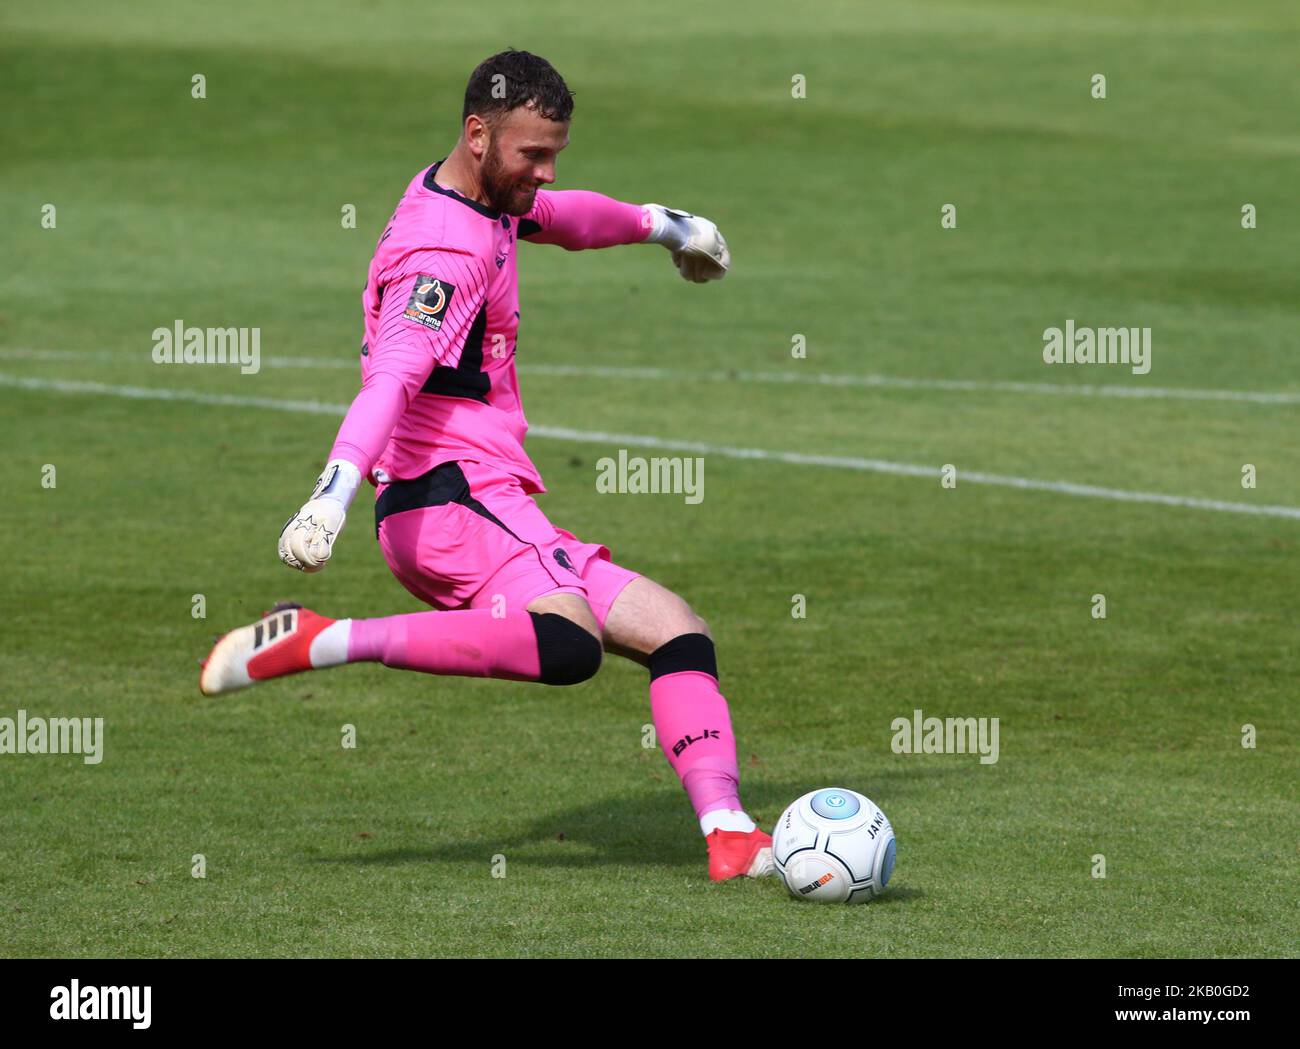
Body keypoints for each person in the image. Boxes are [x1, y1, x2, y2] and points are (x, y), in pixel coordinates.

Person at [200, 49, 772, 882]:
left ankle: (728, 832)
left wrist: (665, 225)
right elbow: (393, 375)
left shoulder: (482, 195)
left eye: (553, 154)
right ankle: (324, 639)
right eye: (530, 155)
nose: (542, 173)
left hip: (485, 491)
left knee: (677, 632)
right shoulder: (446, 255)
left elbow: (566, 218)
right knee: (568, 646)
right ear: (478, 135)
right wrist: (329, 496)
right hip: (447, 496)